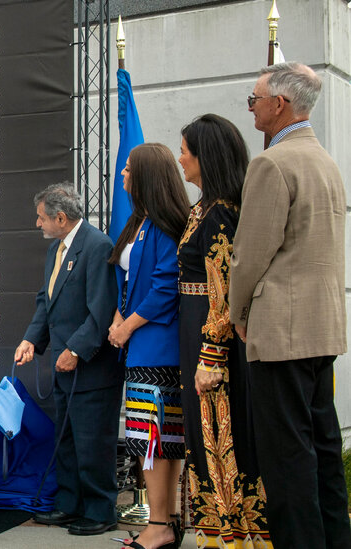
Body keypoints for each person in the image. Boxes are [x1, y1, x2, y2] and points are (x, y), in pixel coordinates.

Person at [230, 62, 350, 549]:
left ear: (279, 104)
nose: (252, 107)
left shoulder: (272, 163)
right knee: (322, 449)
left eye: (254, 98)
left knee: (286, 459)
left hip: (280, 331)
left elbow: (250, 254)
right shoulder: (325, 160)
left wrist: (237, 314)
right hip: (323, 328)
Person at [176, 114, 272, 547]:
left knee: (222, 440)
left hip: (213, 346)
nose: (180, 159)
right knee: (202, 438)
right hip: (194, 333)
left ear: (205, 156)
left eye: (185, 151)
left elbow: (225, 292)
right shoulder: (203, 208)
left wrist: (211, 357)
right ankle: (215, 535)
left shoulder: (219, 214)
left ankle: (238, 536)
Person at [15, 183, 122, 536]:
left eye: (42, 217)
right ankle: (70, 504)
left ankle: (100, 510)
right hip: (62, 366)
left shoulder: (97, 246)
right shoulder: (55, 251)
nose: (37, 223)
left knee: (93, 441)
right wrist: (32, 339)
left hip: (90, 368)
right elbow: (46, 303)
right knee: (68, 440)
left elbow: (102, 309)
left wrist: (75, 350)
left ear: (61, 218)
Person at [107, 144, 189, 549]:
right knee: (156, 438)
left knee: (153, 439)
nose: (122, 175)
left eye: (127, 169)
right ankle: (165, 523)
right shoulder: (141, 222)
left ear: (146, 176)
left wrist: (128, 326)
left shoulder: (164, 225)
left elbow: (163, 288)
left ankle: (159, 525)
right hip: (140, 342)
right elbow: (131, 284)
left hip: (157, 346)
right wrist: (119, 318)